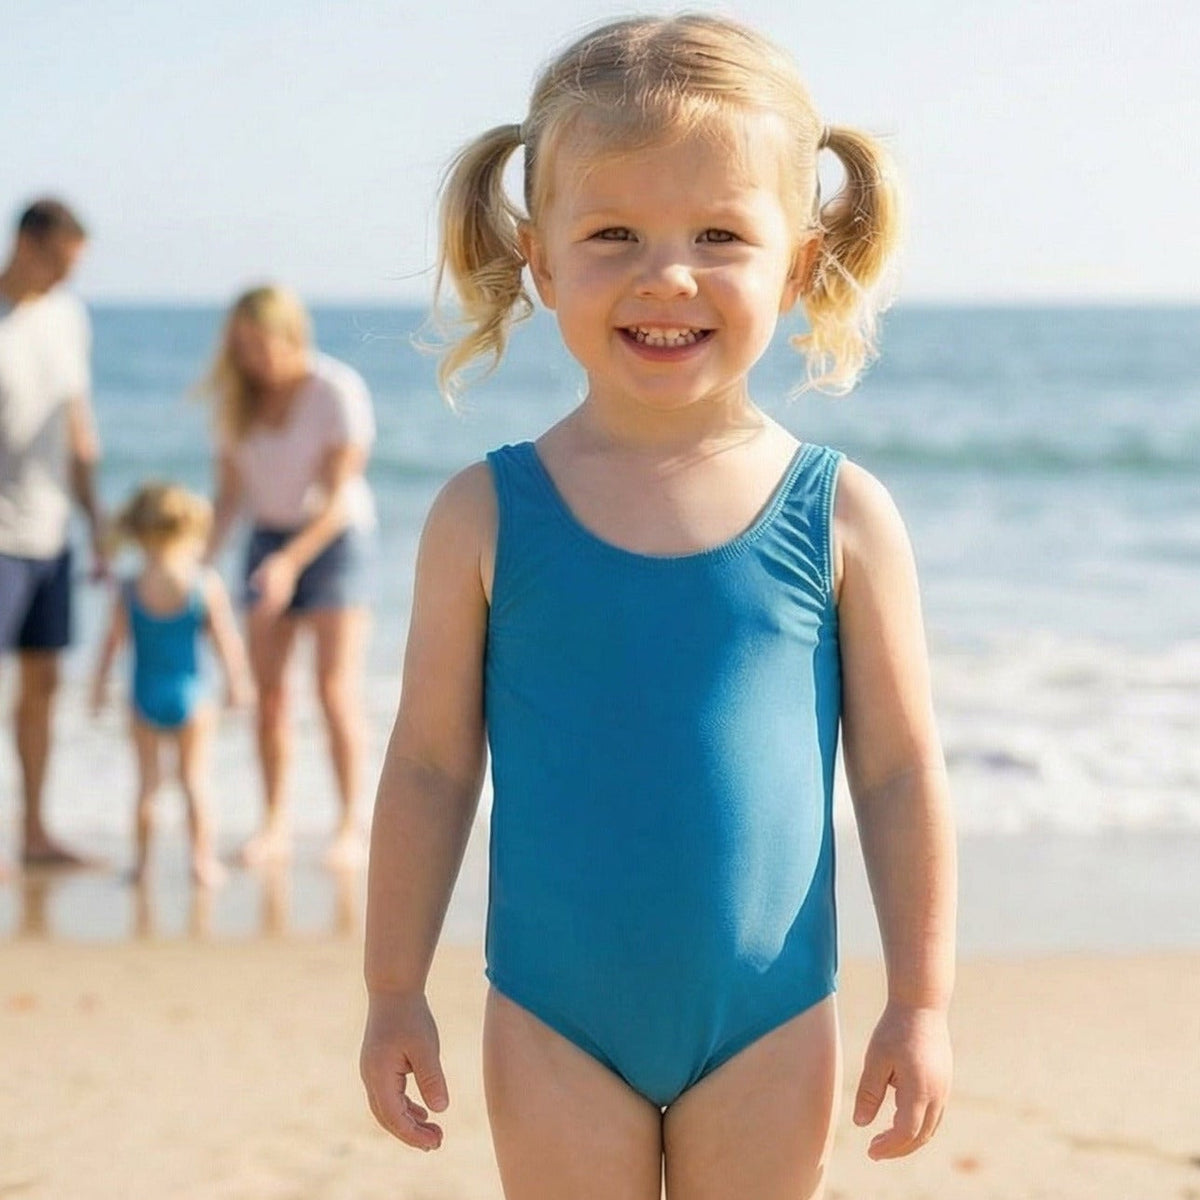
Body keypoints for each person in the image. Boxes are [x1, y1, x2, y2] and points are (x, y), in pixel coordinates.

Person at [360, 14, 956, 1199]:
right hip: (551, 1018)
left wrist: (922, 1003)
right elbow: (430, 767)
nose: (665, 275)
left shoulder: (842, 517)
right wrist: (391, 989)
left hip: (773, 1019)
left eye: (720, 235)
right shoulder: (485, 516)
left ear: (799, 263)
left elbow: (895, 773)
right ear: (540, 259)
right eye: (614, 232)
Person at [200, 285, 376, 868]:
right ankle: (273, 824)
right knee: (269, 696)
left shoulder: (337, 390)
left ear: (292, 335)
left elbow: (337, 497)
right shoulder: (236, 401)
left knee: (333, 690)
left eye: (261, 344)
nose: (253, 358)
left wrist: (290, 562)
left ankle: (350, 826)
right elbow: (229, 497)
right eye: (241, 347)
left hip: (335, 538)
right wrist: (196, 565)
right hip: (266, 537)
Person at [0, 197, 106, 874]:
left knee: (44, 685)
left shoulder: (68, 316)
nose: (67, 277)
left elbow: (76, 424)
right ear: (27, 244)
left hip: (51, 532)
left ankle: (36, 832)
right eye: (61, 262)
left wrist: (96, 525)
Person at [90, 483, 250, 886]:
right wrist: (237, 683)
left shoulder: (130, 588)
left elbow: (111, 645)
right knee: (195, 781)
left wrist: (98, 688)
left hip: (144, 693)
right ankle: (202, 862)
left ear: (138, 532)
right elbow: (225, 641)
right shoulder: (201, 583)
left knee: (146, 785)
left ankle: (144, 866)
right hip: (193, 696)